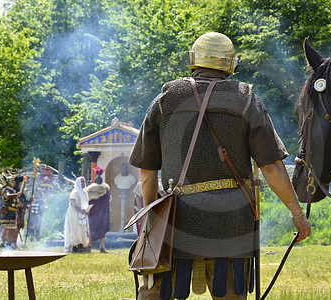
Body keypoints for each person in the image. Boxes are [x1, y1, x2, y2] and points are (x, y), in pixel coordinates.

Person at [129, 32, 311, 299]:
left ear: (194, 61)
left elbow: (147, 171)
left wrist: (153, 218)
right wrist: (297, 214)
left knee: (155, 295)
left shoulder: (164, 101)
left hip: (175, 223)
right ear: (230, 64)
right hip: (231, 223)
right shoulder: (246, 100)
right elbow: (271, 167)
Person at [85, 167, 111, 253]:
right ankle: (99, 247)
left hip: (94, 213)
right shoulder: (105, 189)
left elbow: (87, 201)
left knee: (93, 228)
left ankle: (91, 246)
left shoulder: (89, 190)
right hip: (100, 213)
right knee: (97, 229)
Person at [64, 177, 90, 253]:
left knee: (82, 229)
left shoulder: (84, 192)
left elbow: (85, 203)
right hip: (74, 213)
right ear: (78, 183)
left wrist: (86, 211)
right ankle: (75, 246)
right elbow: (72, 203)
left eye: (84, 181)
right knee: (75, 229)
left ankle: (81, 245)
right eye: (82, 182)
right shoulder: (75, 191)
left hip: (82, 214)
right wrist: (80, 211)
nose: (83, 183)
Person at [0, 172, 22, 249]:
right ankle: (2, 243)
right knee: (6, 228)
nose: (13, 182)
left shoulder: (12, 190)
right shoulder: (6, 189)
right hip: (7, 211)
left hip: (13, 212)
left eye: (13, 181)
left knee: (12, 229)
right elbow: (7, 196)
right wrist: (16, 195)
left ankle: (9, 244)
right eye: (12, 181)